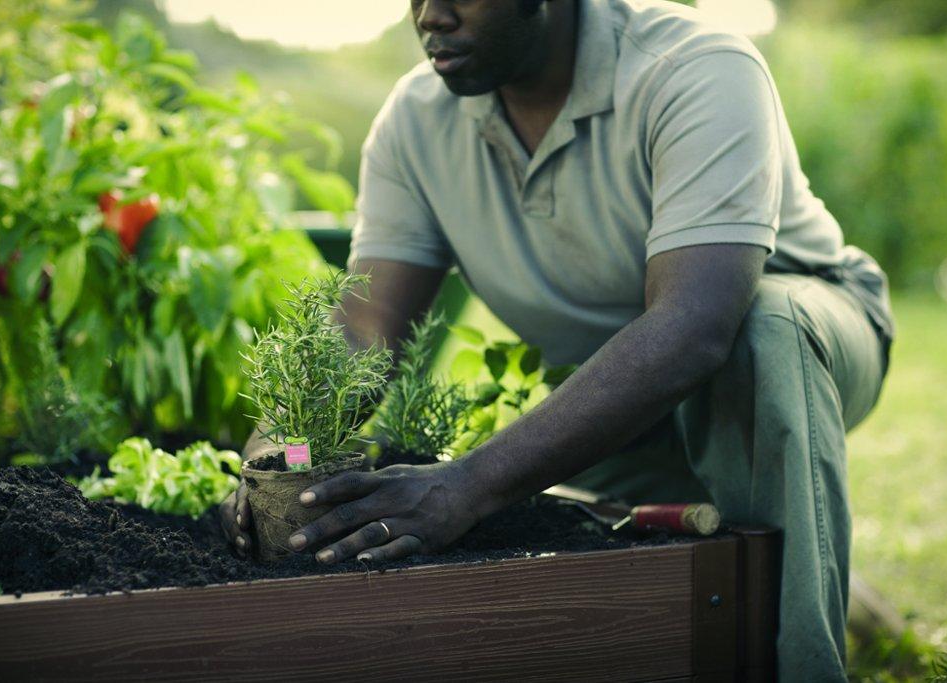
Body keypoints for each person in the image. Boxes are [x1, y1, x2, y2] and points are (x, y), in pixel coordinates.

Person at [221, 0, 894, 679]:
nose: (431, 15)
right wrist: (283, 451)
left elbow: (695, 328)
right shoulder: (416, 120)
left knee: (762, 328)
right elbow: (365, 329)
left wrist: (466, 484)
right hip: (620, 393)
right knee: (560, 520)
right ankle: (809, 560)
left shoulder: (693, 67)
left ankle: (800, 659)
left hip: (801, 347)